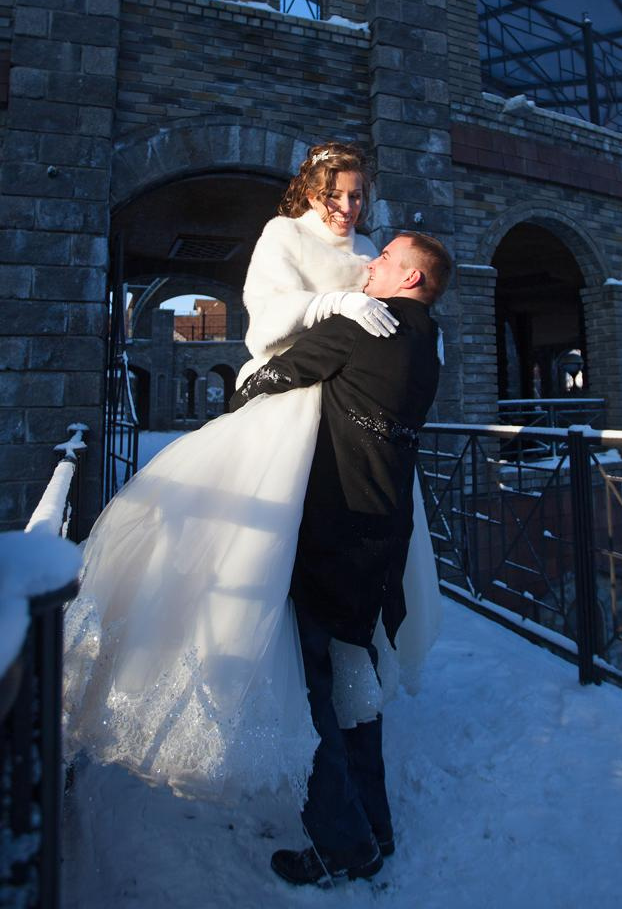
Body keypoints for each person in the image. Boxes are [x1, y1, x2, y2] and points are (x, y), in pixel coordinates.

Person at [62, 143, 441, 805]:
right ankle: (337, 784)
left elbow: (393, 342)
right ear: (314, 191)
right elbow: (263, 329)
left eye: (359, 196)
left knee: (331, 619)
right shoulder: (282, 236)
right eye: (338, 195)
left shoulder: (376, 254)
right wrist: (332, 304)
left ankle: (338, 801)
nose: (350, 209)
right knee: (255, 565)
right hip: (291, 412)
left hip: (346, 440)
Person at [232, 231, 452, 887]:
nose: (370, 261)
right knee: (357, 687)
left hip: (335, 539)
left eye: (385, 257)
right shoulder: (426, 343)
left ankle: (343, 841)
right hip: (384, 540)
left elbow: (267, 380)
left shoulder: (360, 333)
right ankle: (375, 824)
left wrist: (250, 384)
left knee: (317, 697)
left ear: (410, 279)